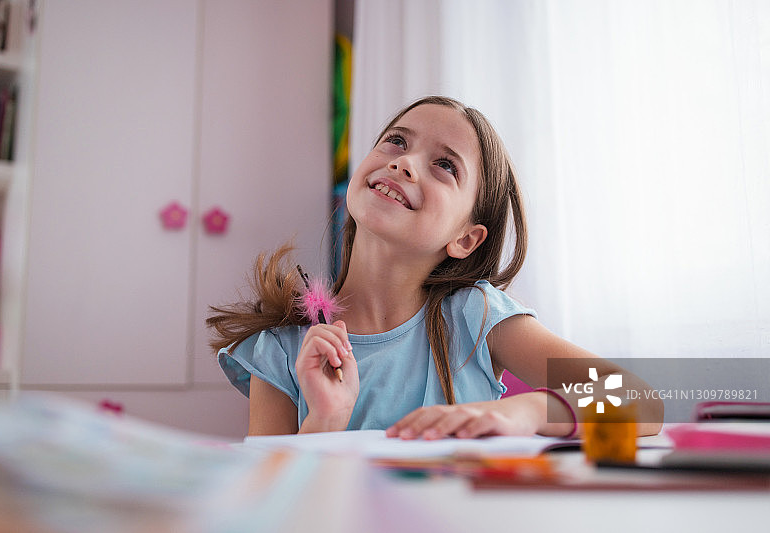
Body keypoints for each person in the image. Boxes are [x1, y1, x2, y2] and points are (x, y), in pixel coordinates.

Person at [208, 96, 663, 439]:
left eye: (445, 165)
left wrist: (524, 412)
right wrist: (325, 422)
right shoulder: (280, 348)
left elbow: (641, 406)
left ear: (465, 238)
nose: (404, 162)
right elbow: (270, 505)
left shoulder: (476, 316)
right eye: (396, 141)